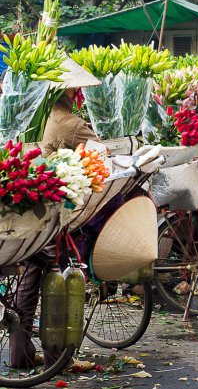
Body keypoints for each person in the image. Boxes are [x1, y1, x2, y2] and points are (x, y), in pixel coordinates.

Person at [12, 57, 100, 372]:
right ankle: (56, 359)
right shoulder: (71, 123)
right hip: (50, 211)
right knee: (54, 277)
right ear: (72, 91)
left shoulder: (41, 116)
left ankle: (20, 354)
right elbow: (99, 150)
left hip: (30, 208)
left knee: (31, 277)